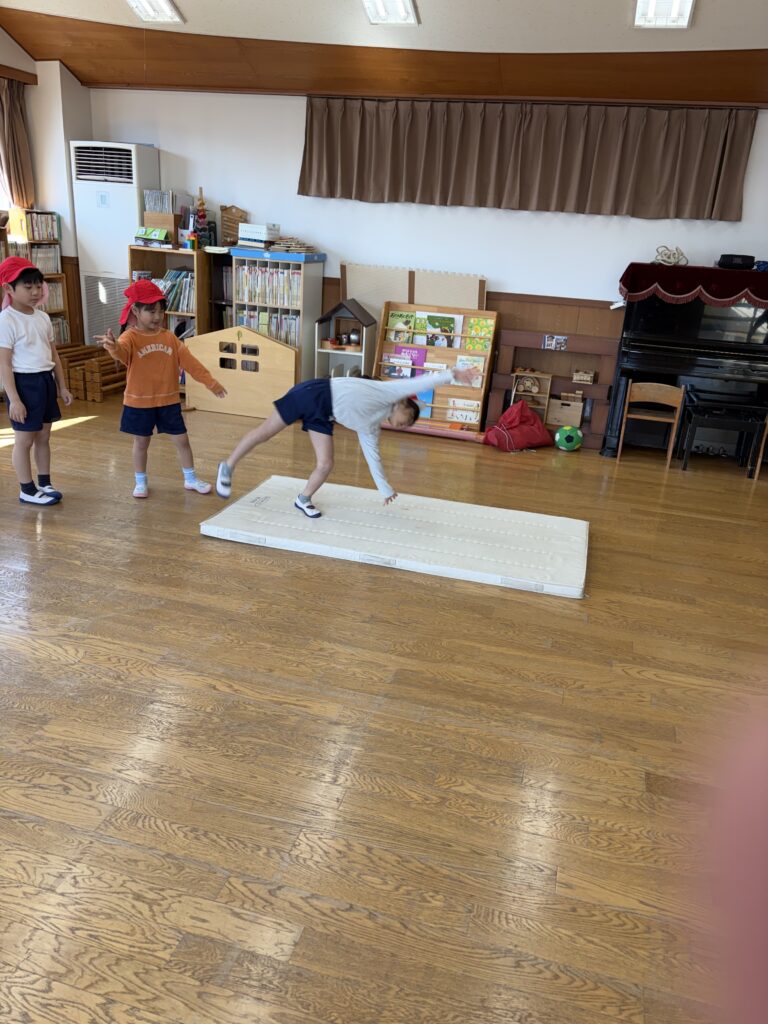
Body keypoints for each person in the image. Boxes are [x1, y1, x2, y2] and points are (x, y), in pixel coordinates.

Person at [215, 365, 479, 517]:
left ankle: (303, 499)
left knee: (326, 463)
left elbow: (372, 456)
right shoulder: (387, 392)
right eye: (407, 418)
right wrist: (454, 374)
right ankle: (228, 465)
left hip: (324, 415)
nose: (405, 424)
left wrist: (385, 489)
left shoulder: (371, 427)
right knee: (265, 433)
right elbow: (422, 381)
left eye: (408, 425)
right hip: (313, 394)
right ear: (402, 404)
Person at [95, 280, 227, 499]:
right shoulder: (130, 337)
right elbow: (122, 353)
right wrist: (113, 346)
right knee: (141, 443)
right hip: (139, 402)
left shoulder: (169, 338)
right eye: (151, 311)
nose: (157, 316)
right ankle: (140, 482)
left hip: (168, 401)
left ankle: (190, 479)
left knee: (182, 440)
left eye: (160, 311)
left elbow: (191, 363)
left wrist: (211, 383)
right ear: (135, 311)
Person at [0, 256, 73, 506]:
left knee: (43, 436)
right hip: (23, 384)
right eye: (28, 286)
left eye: (38, 285)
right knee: (24, 440)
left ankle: (44, 482)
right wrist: (14, 399)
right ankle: (26, 489)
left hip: (45, 381)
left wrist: (62, 386)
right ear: (9, 288)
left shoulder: (42, 318)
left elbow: (54, 355)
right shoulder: (6, 320)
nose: (35, 291)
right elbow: (4, 364)